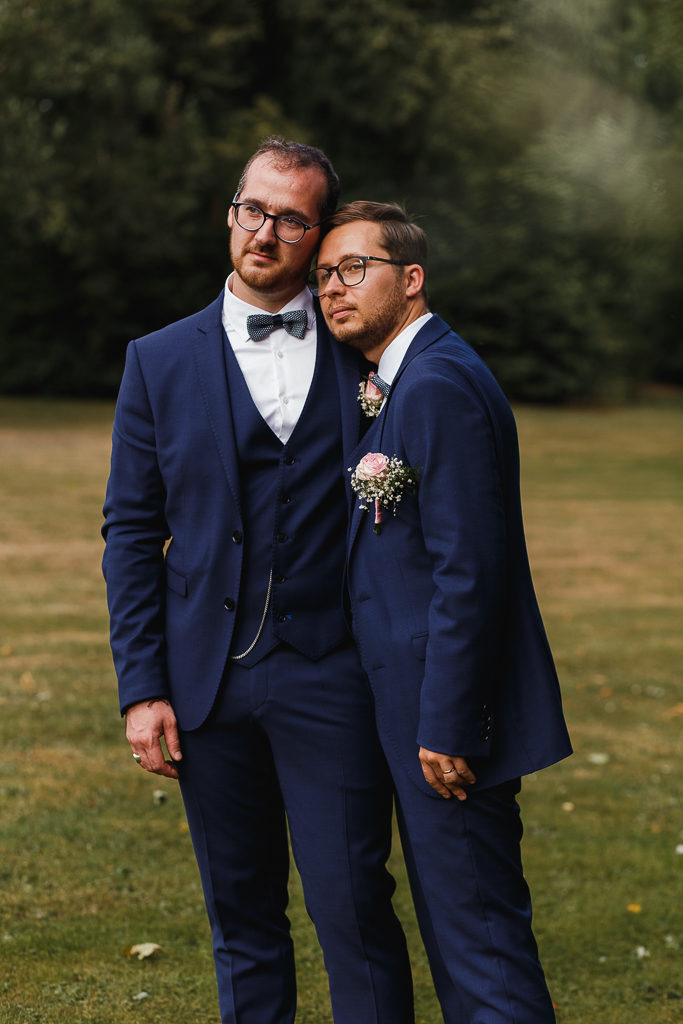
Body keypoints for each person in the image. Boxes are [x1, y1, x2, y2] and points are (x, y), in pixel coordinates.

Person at [101, 144, 414, 1024]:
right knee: (240, 919)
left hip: (334, 674)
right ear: (230, 211)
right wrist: (144, 688)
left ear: (316, 236)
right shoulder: (156, 361)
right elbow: (130, 532)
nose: (264, 232)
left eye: (289, 219)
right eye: (252, 209)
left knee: (353, 907)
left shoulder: (369, 350)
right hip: (207, 681)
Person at [315, 201, 573, 1024]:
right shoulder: (404, 379)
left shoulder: (437, 383)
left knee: (483, 953)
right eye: (324, 275)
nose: (332, 288)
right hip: (418, 711)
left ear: (411, 279)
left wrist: (448, 724)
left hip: (445, 724)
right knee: (466, 943)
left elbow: (470, 571)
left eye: (354, 268)